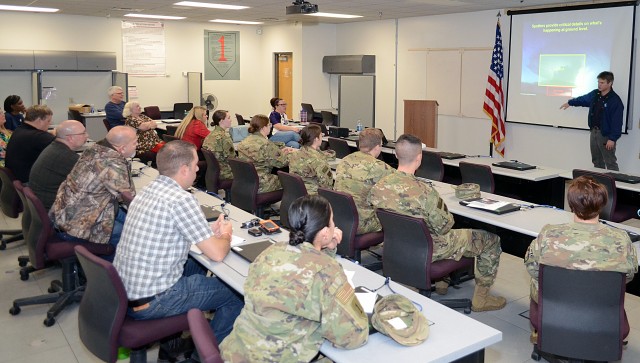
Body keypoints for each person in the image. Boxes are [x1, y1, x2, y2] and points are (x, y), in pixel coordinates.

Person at [113, 140, 243, 348]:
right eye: (195, 165)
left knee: (197, 265)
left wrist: (207, 231)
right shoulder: (181, 199)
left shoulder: (147, 190)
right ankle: (207, 353)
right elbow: (218, 254)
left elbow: (168, 226)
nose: (198, 168)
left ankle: (173, 345)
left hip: (124, 293)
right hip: (155, 300)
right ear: (184, 170)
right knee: (236, 294)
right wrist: (225, 235)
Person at [220, 195, 368, 362]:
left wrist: (327, 250)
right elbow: (352, 336)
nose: (335, 226)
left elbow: (308, 265)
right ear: (326, 233)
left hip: (236, 352)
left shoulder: (272, 251)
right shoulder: (327, 271)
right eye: (332, 222)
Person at [369, 134, 506, 312]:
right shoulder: (425, 192)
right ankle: (481, 299)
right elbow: (445, 226)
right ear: (419, 158)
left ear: (395, 155)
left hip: (397, 247)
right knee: (491, 240)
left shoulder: (379, 186)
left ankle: (442, 282)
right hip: (430, 249)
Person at [524, 175, 637, 304]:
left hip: (555, 305)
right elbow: (628, 276)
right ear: (603, 203)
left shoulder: (548, 233)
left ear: (571, 204)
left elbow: (532, 267)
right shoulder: (621, 238)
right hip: (602, 307)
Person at [50, 126, 137, 260]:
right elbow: (128, 197)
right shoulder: (112, 162)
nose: (137, 145)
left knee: (129, 220)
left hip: (64, 213)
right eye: (134, 143)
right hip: (76, 226)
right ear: (122, 148)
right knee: (130, 233)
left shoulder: (94, 149)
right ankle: (110, 273)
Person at [334, 128, 393, 234]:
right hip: (362, 224)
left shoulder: (345, 160)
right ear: (377, 147)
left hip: (339, 217)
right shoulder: (379, 166)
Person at [560, 71, 623, 170]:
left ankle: (615, 184)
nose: (599, 85)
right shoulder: (595, 94)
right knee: (596, 160)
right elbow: (584, 99)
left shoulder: (615, 100)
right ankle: (598, 184)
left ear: (610, 83)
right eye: (598, 82)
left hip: (606, 135)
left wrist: (612, 138)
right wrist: (570, 102)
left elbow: (617, 122)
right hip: (594, 132)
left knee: (610, 162)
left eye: (602, 82)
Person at [29, 120, 87, 210]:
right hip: (54, 208)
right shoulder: (67, 157)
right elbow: (91, 183)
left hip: (42, 202)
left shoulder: (54, 147)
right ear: (70, 138)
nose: (87, 136)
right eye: (83, 133)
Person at [236, 114, 297, 193]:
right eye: (269, 125)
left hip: (246, 180)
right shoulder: (266, 144)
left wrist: (279, 152)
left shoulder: (244, 141)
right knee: (293, 182)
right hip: (262, 183)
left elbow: (264, 155)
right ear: (264, 128)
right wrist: (291, 153)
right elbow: (282, 163)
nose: (270, 127)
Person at [5, 105, 55, 183]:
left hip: (17, 180)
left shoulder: (19, 130)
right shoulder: (37, 136)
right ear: (39, 120)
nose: (50, 123)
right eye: (48, 121)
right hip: (29, 182)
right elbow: (61, 144)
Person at [288, 123, 335, 194]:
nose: (322, 137)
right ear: (316, 139)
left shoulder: (295, 153)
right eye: (321, 135)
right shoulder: (318, 160)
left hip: (296, 191)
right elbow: (327, 186)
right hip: (313, 196)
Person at [202, 109, 235, 181]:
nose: (231, 120)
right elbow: (232, 159)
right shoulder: (225, 137)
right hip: (225, 172)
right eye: (228, 118)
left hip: (213, 171)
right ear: (221, 121)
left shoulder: (210, 135)